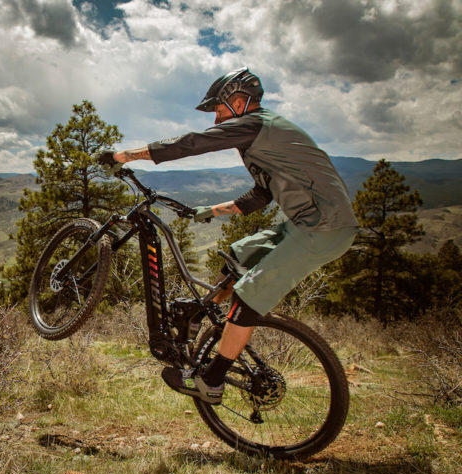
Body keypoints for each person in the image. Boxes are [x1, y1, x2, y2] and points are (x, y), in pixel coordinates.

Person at [98, 67, 359, 404]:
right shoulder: (262, 138)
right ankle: (195, 314)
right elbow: (259, 197)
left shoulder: (256, 124)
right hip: (304, 223)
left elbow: (193, 143)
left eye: (219, 110)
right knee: (239, 255)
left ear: (238, 101)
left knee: (248, 295)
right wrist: (208, 212)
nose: (218, 118)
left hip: (324, 227)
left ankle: (212, 380)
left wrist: (125, 155)